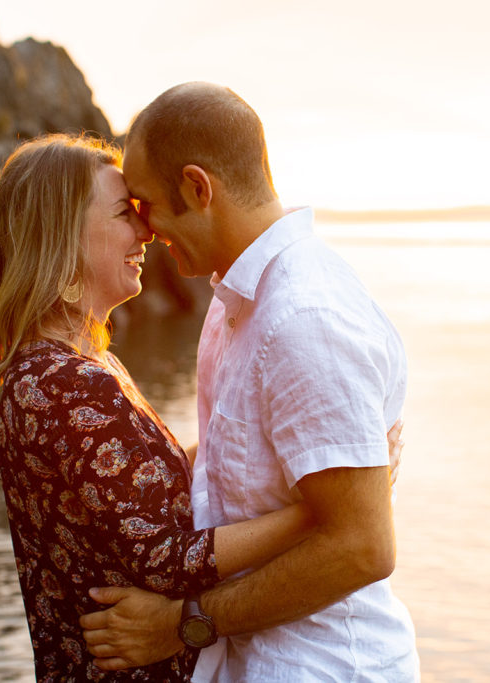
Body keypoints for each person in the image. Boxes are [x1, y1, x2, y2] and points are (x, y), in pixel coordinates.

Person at [0, 134, 384, 681]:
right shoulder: (64, 384)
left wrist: (315, 459)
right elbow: (167, 558)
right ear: (62, 239)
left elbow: (134, 490)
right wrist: (323, 511)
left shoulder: (77, 366)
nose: (146, 232)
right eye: (124, 213)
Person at [80, 83, 420, 681]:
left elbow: (363, 547)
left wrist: (178, 625)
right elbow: (229, 465)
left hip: (324, 667)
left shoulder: (304, 319)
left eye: (146, 204)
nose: (146, 229)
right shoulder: (237, 301)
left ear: (197, 188)